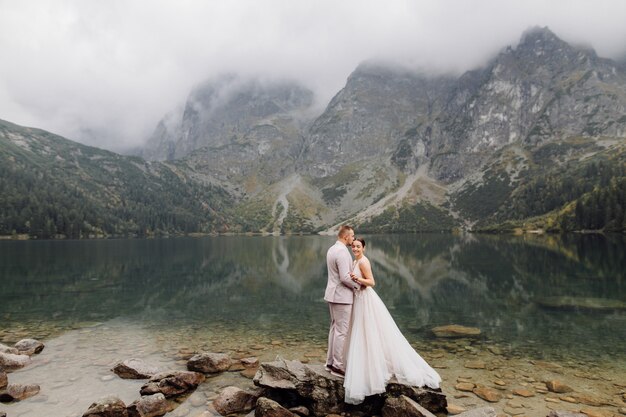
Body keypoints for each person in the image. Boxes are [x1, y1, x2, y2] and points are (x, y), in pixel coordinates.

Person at [343, 237, 441, 405]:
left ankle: (373, 367)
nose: (355, 249)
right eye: (354, 246)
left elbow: (372, 282)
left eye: (358, 247)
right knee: (362, 332)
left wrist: (357, 279)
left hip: (366, 300)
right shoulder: (355, 261)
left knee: (369, 330)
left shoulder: (364, 262)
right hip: (359, 299)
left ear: (364, 248)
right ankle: (366, 364)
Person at [324, 225, 361, 378]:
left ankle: (330, 362)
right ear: (346, 236)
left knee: (334, 328)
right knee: (341, 331)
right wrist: (358, 286)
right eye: (352, 236)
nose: (353, 239)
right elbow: (345, 277)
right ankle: (338, 366)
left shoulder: (332, 249)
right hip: (342, 297)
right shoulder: (342, 252)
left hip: (332, 295)